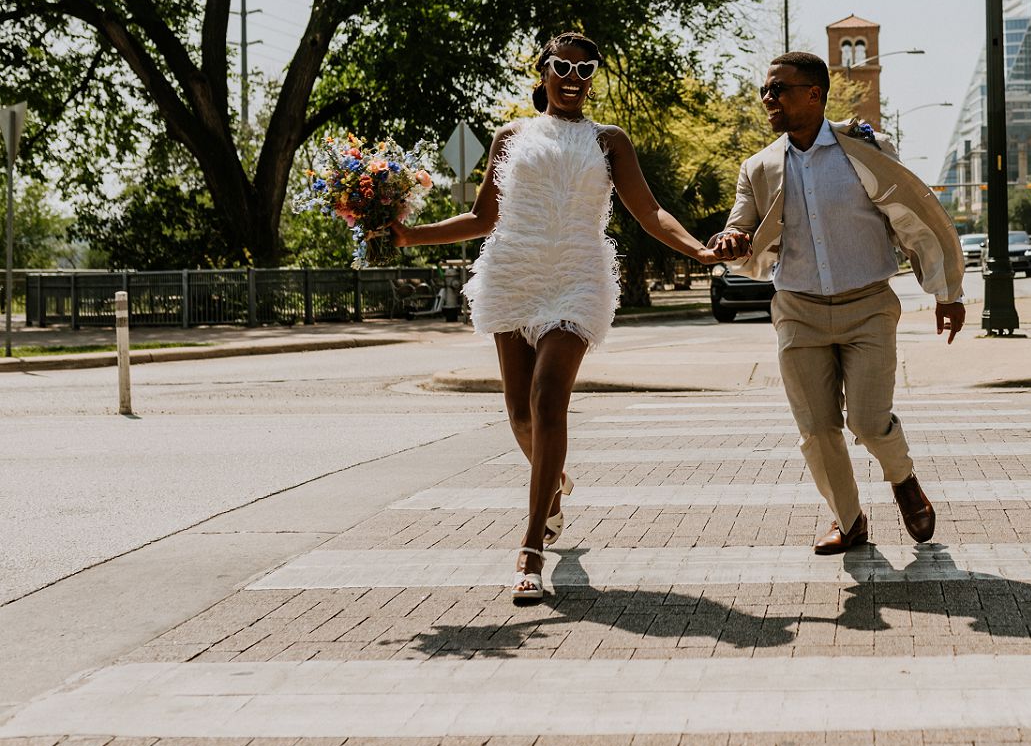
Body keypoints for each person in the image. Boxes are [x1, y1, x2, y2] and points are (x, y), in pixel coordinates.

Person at [391, 32, 725, 603]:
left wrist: (697, 249)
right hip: (513, 274)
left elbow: (649, 210)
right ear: (542, 70)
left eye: (585, 68)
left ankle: (531, 546)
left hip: (576, 277)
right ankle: (554, 486)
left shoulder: (608, 140)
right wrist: (408, 234)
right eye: (561, 66)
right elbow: (481, 218)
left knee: (548, 399)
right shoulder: (509, 136)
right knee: (520, 416)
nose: (573, 77)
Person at [709, 51, 966, 554]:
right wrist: (732, 239)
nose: (768, 99)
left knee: (869, 421)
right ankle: (849, 522)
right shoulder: (758, 168)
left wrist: (947, 292)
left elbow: (913, 218)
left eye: (779, 89)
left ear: (814, 94)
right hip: (797, 311)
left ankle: (903, 478)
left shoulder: (866, 150)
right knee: (816, 430)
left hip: (868, 304)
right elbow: (739, 224)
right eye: (765, 90)